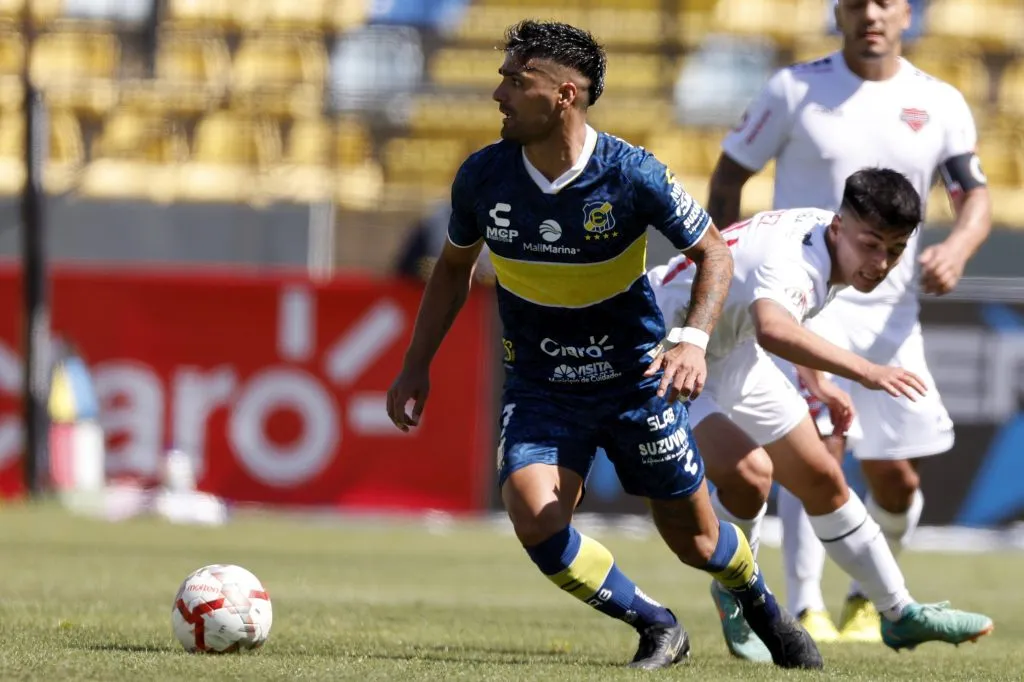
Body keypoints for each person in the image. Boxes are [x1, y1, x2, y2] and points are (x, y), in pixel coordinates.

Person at [385, 19, 821, 671]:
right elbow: (452, 269)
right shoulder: (482, 176)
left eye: (515, 81)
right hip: (541, 386)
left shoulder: (631, 173)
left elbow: (715, 252)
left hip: (635, 384)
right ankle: (656, 625)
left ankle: (756, 599)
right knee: (534, 513)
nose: (498, 95)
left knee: (698, 543)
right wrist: (416, 364)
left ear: (564, 95)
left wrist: (692, 340)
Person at [706, 0, 993, 644]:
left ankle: (866, 600)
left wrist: (957, 248)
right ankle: (805, 605)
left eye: (885, 2)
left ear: (907, 14)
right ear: (838, 11)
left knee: (897, 479)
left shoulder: (940, 101)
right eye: (857, 2)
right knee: (817, 444)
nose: (871, 14)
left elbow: (973, 194)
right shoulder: (793, 88)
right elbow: (728, 178)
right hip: (800, 296)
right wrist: (721, 273)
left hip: (892, 313)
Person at [648, 169, 994, 661]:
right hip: (667, 351)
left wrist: (817, 383)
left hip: (728, 349)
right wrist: (866, 371)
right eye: (871, 245)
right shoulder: (799, 260)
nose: (880, 263)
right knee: (751, 475)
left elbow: (773, 311)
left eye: (895, 250)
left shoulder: (824, 238)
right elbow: (773, 327)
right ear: (839, 227)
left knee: (823, 479)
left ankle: (899, 613)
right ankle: (738, 596)